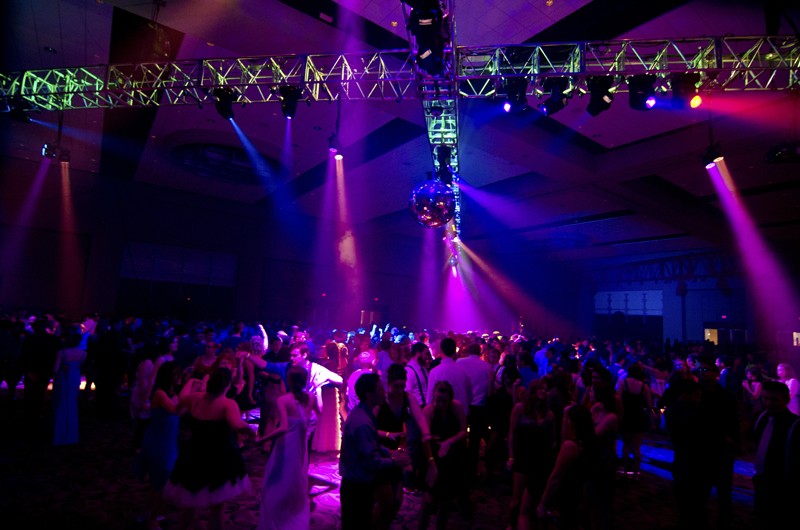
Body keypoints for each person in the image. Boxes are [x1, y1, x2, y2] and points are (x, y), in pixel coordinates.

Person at [164, 368, 255, 530]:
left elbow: (181, 399)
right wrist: (250, 430)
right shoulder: (227, 404)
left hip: (194, 454)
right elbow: (236, 424)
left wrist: (191, 382)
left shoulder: (195, 398)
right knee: (217, 507)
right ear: (227, 385)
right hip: (218, 457)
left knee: (188, 503)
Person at [340, 372, 411, 530]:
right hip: (356, 486)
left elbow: (372, 446)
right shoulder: (363, 421)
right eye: (379, 390)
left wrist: (390, 453)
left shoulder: (364, 413)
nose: (383, 392)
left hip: (357, 482)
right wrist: (394, 461)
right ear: (369, 394)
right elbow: (371, 461)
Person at [257, 365, 317, 530]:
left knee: (276, 479)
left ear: (289, 380)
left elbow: (282, 427)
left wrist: (263, 439)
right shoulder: (311, 398)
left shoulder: (283, 400)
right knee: (295, 476)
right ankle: (293, 509)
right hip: (300, 444)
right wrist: (307, 431)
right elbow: (318, 415)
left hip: (285, 445)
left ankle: (279, 517)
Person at [537, 404, 600, 530]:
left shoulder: (570, 446)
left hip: (569, 496)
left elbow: (556, 477)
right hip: (583, 497)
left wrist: (544, 502)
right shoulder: (591, 442)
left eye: (567, 419)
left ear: (573, 422)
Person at [138, 361, 183, 530]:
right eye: (176, 375)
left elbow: (181, 412)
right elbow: (175, 410)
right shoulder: (160, 394)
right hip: (159, 442)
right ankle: (151, 520)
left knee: (159, 482)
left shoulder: (170, 392)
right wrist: (190, 392)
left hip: (169, 441)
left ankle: (148, 512)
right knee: (160, 482)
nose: (179, 378)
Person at [419, 380, 469, 530]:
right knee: (428, 499)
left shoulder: (457, 407)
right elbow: (425, 439)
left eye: (443, 401)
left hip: (451, 456)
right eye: (437, 400)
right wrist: (430, 462)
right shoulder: (428, 410)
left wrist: (448, 442)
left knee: (445, 499)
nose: (439, 404)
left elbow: (463, 432)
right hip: (432, 455)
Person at [507, 380, 555, 530]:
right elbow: (512, 433)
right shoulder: (520, 409)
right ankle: (511, 523)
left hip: (540, 460)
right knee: (516, 498)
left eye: (545, 389)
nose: (543, 392)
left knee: (534, 497)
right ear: (533, 391)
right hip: (522, 456)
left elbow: (553, 439)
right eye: (540, 389)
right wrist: (511, 456)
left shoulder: (549, 414)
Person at [752, 380, 800, 529]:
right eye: (765, 398)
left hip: (782, 485)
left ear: (786, 400)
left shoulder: (795, 425)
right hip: (760, 479)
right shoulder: (762, 417)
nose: (768, 403)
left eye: (774, 399)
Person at [52, 325, 86, 446]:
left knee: (62, 403)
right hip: (75, 379)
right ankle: (72, 433)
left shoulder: (62, 353)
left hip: (64, 379)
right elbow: (81, 368)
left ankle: (60, 432)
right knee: (72, 403)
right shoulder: (82, 354)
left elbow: (55, 369)